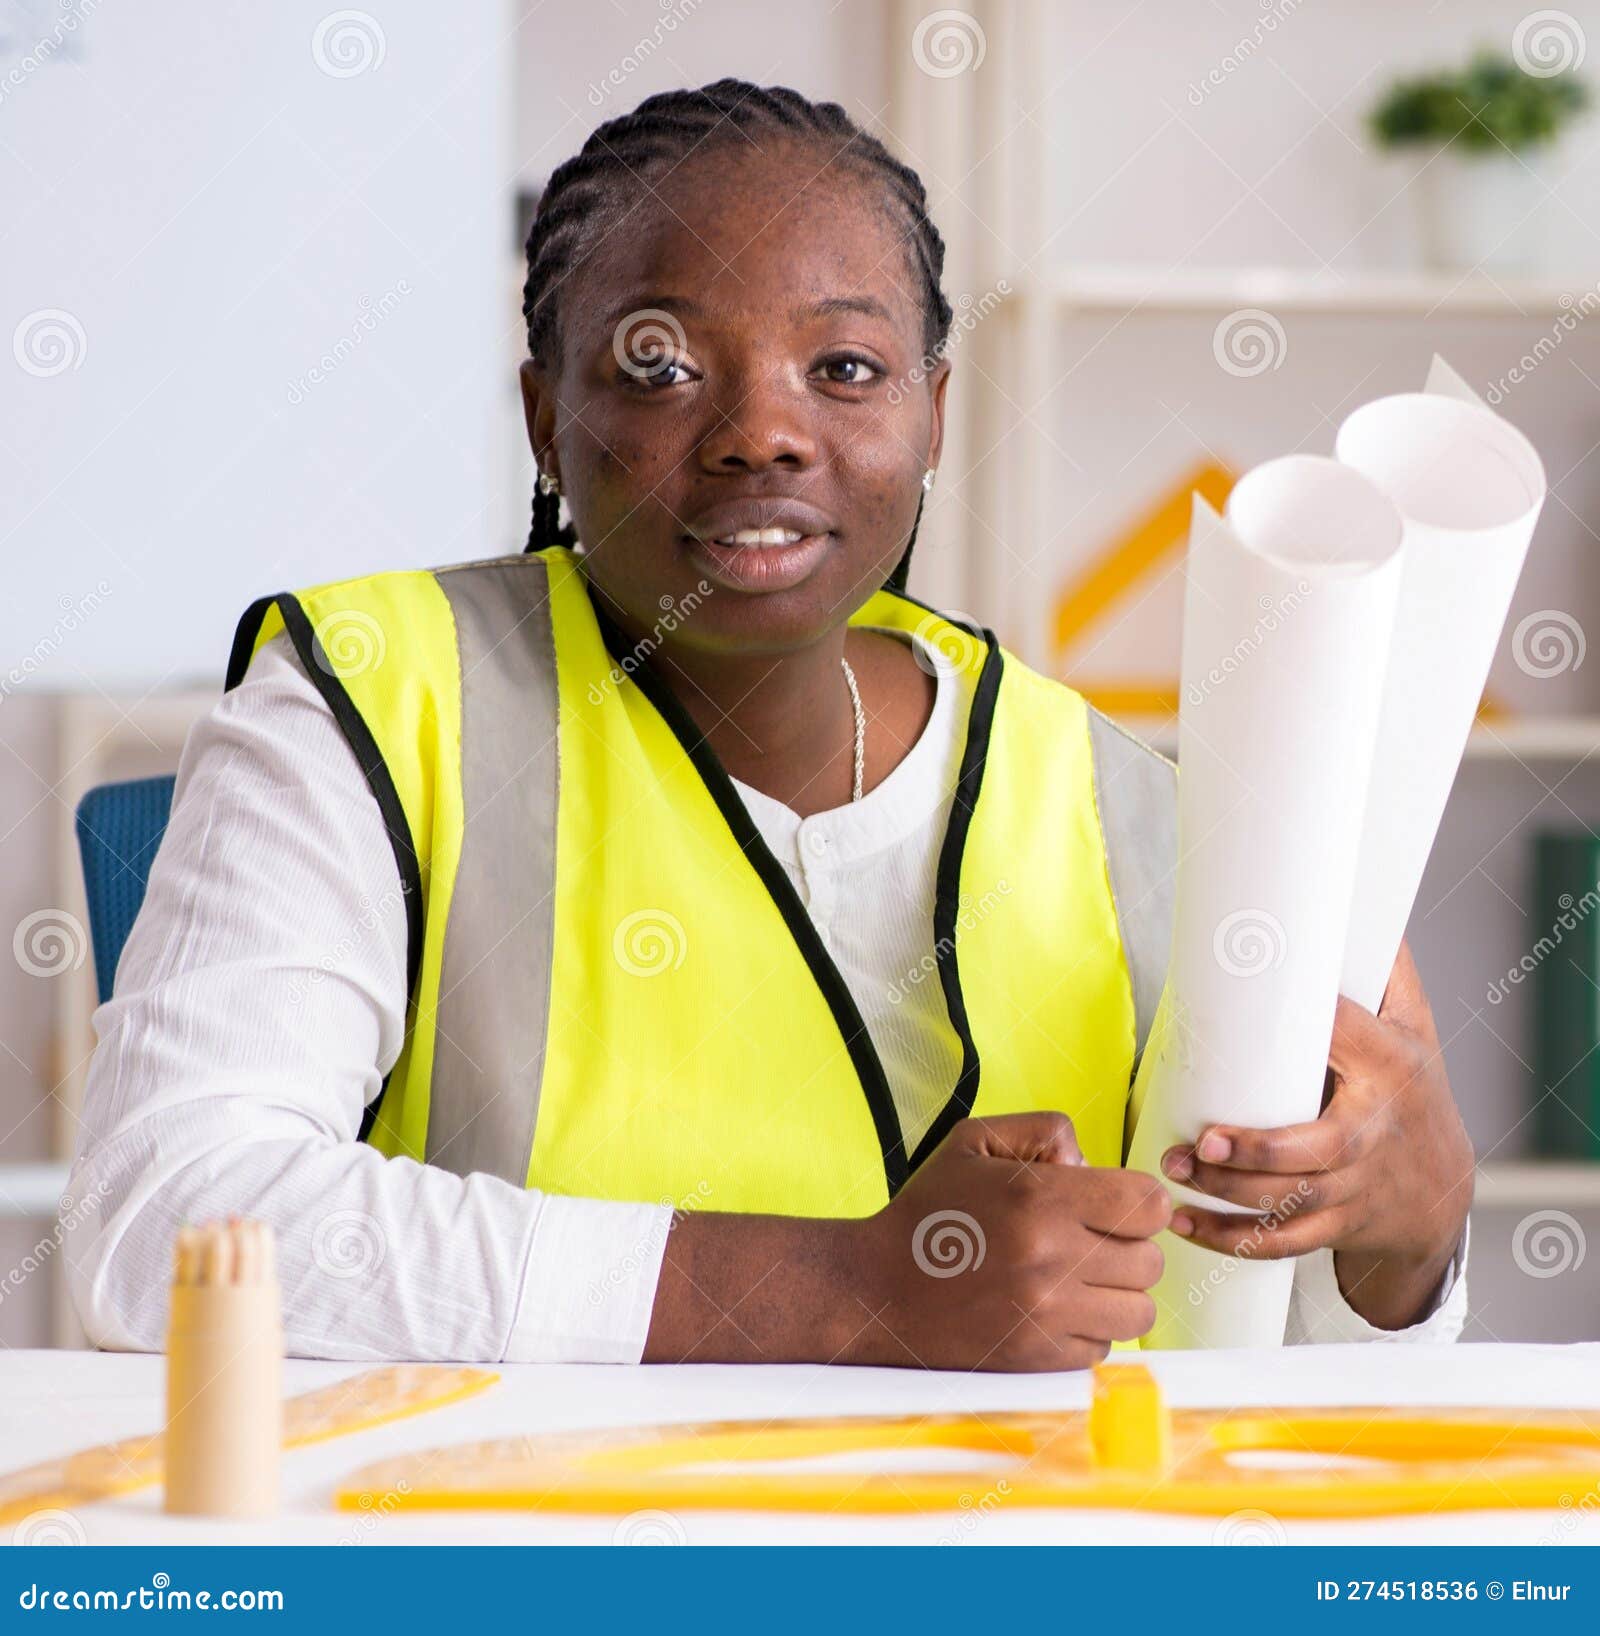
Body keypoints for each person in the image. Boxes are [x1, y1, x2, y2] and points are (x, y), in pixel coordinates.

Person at [66, 78, 1472, 1370]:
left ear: (931, 414)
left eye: (844, 370)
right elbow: (170, 1220)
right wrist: (842, 1292)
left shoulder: (1135, 802)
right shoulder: (369, 699)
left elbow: (1282, 1387)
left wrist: (1402, 1254)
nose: (761, 432)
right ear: (545, 420)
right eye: (662, 365)